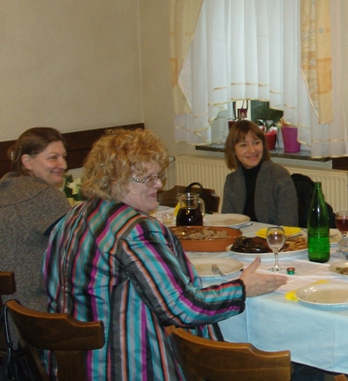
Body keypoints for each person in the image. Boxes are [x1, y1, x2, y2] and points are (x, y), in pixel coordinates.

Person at [43, 128, 287, 380]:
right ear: (116, 180)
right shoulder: (134, 229)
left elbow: (51, 287)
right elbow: (183, 309)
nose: (159, 185)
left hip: (72, 365)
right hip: (123, 366)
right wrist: (242, 288)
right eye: (148, 179)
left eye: (158, 176)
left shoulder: (73, 216)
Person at [0, 127, 70, 312]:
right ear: (27, 161)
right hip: (35, 313)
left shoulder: (5, 188)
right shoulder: (45, 196)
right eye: (53, 158)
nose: (63, 165)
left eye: (64, 157)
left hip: (8, 311)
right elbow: (80, 252)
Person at [222, 120, 298, 226]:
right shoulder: (232, 181)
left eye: (256, 143)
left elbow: (289, 224)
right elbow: (227, 223)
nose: (252, 150)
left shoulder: (279, 175)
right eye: (244, 145)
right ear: (234, 151)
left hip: (274, 236)